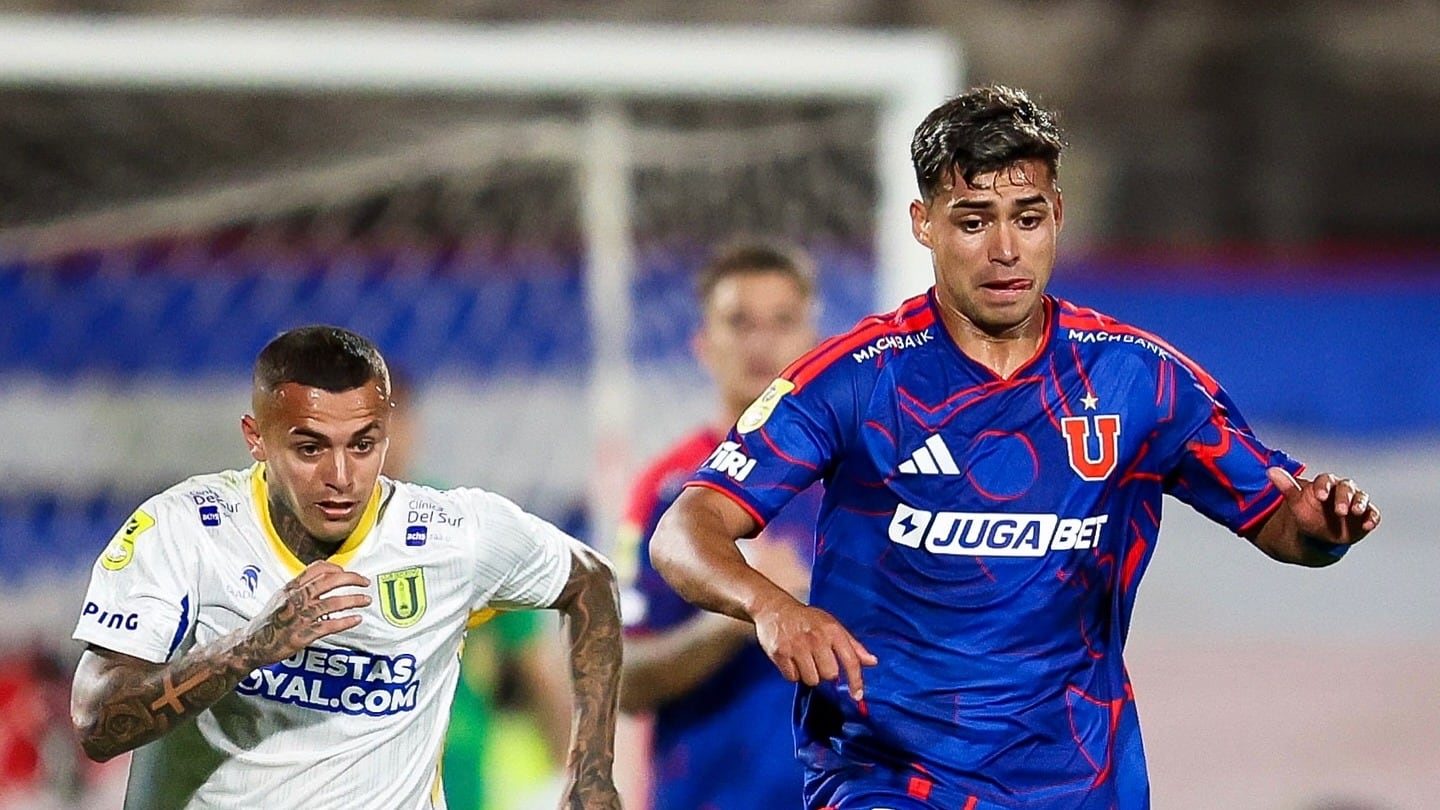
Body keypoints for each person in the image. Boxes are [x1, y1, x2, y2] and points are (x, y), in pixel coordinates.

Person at [648, 85, 1382, 810]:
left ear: (1057, 215)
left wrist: (1324, 530)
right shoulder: (856, 378)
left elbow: (1285, 526)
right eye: (973, 221)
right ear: (923, 224)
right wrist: (769, 604)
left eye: (1027, 218)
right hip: (888, 779)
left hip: (1082, 782)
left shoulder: (1139, 380)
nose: (1005, 250)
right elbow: (686, 529)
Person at [68, 325, 623, 810]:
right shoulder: (185, 531)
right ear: (256, 438)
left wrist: (591, 769)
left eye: (363, 445)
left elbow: (589, 579)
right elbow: (96, 723)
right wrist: (249, 648)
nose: (341, 475)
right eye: (310, 449)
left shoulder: (453, 536)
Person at [616, 243, 821, 809]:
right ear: (704, 344)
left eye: (782, 321)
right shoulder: (666, 493)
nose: (761, 342)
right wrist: (741, 609)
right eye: (739, 322)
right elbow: (623, 678)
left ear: (814, 343)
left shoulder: (863, 485)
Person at [384, 371, 573, 810]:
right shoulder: (303, 536)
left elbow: (536, 665)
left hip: (453, 774)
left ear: (414, 426)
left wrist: (571, 775)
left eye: (395, 420)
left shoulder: (461, 530)